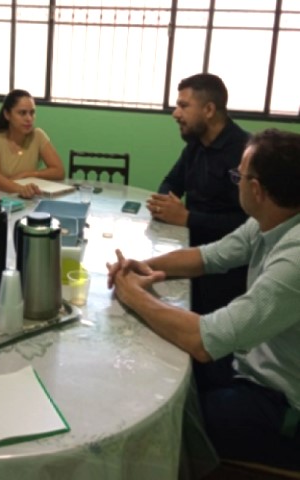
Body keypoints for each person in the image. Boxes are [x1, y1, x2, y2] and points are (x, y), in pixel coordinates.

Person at [107, 129, 300, 471]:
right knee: (164, 369)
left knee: (170, 418)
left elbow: (204, 339)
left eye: (239, 175)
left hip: (282, 402)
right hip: (251, 362)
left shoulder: (294, 259)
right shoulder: (273, 217)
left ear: (256, 190)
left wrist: (133, 294)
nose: (235, 181)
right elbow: (208, 256)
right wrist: (143, 266)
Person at [147, 73, 249, 315]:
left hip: (226, 271)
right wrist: (164, 204)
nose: (175, 113)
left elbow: (247, 224)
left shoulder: (245, 154)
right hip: (190, 252)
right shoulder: (195, 144)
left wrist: (187, 218)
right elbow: (172, 181)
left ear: (209, 109)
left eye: (183, 105)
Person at [0, 89, 65, 199]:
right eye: (22, 113)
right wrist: (20, 189)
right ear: (7, 114)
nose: (29, 118)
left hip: (24, 198)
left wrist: (29, 174)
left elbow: (59, 171)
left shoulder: (38, 135)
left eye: (32, 113)